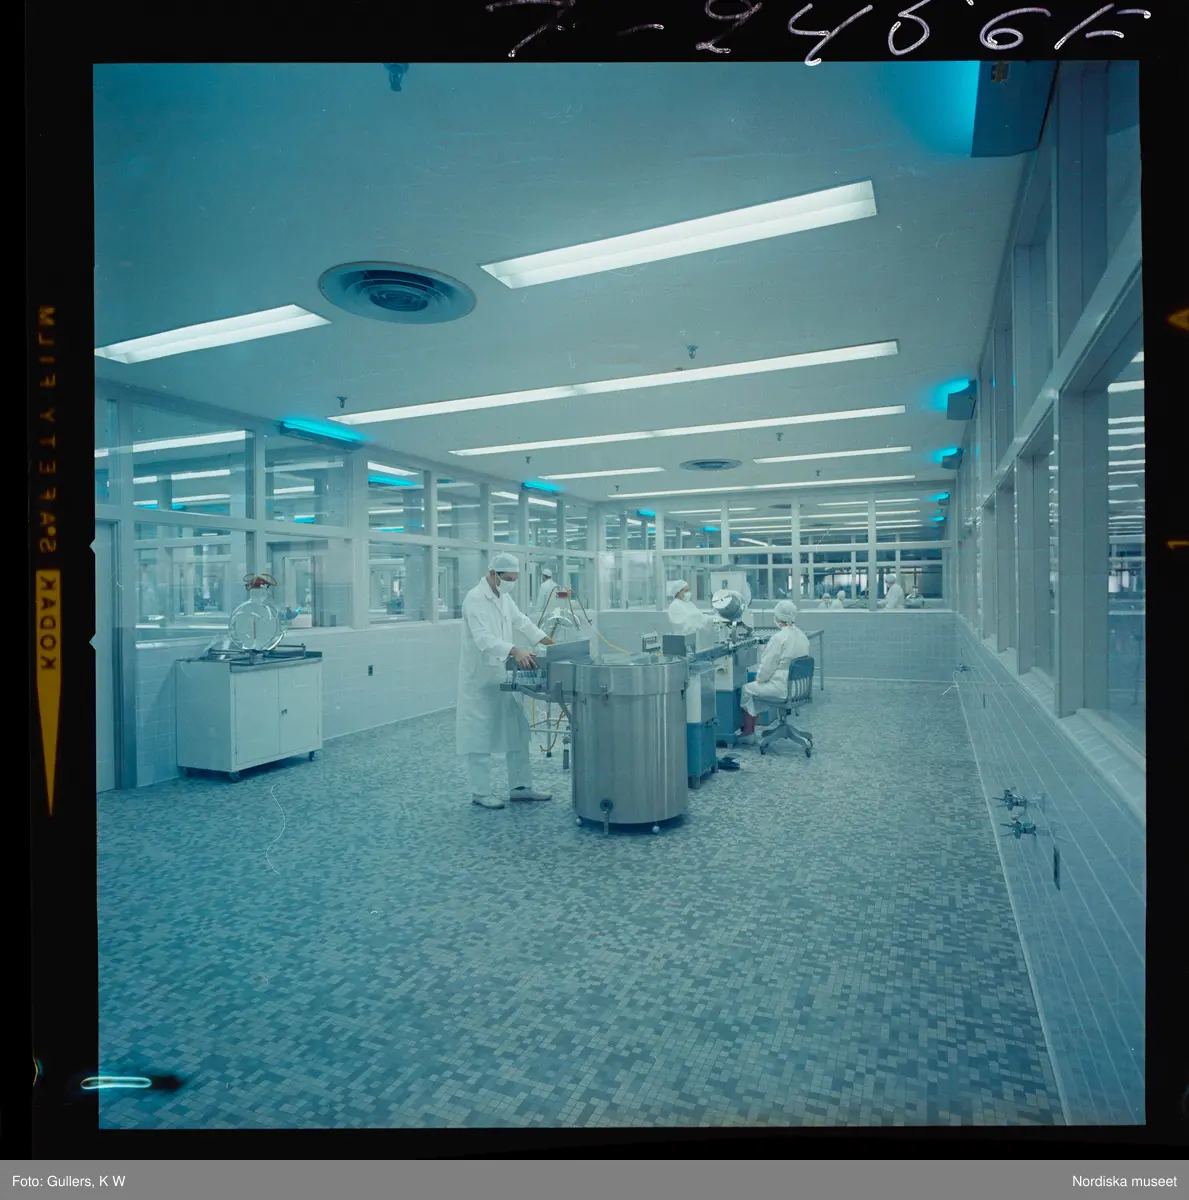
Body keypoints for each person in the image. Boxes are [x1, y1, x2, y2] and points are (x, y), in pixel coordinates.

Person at [457, 552, 556, 810]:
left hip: (503, 677)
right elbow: (483, 638)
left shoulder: (504, 597)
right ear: (493, 573)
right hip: (480, 680)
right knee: (479, 736)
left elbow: (521, 620)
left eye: (514, 579)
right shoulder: (475, 599)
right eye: (508, 579)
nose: (511, 583)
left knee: (517, 731)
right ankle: (480, 793)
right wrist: (515, 650)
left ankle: (521, 788)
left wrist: (547, 641)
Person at [738, 600, 811, 743]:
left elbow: (766, 668)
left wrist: (759, 679)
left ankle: (748, 733)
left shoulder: (779, 638)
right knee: (757, 689)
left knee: (747, 690)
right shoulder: (802, 636)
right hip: (800, 688)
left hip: (783, 688)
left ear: (777, 617)